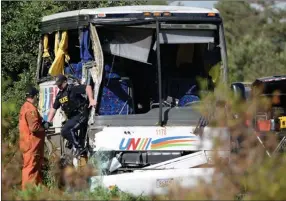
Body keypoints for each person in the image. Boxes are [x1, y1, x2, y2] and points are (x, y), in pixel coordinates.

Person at [46, 74, 96, 156]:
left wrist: (91, 99)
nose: (59, 87)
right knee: (66, 131)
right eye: (58, 85)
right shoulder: (59, 96)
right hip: (73, 118)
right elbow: (53, 109)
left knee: (65, 130)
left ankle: (80, 148)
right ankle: (78, 148)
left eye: (60, 84)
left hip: (81, 114)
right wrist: (47, 122)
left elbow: (88, 87)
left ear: (65, 81)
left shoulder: (73, 88)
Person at [19, 86, 45, 190]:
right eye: (37, 97)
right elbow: (34, 127)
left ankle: (36, 191)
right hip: (32, 145)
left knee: (33, 168)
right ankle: (28, 193)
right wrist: (44, 127)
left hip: (26, 142)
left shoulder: (24, 106)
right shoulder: (31, 109)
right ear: (34, 96)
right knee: (30, 168)